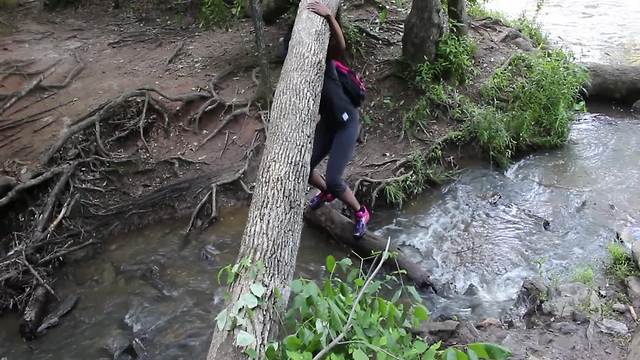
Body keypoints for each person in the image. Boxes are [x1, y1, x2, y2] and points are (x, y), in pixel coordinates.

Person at [303, 1, 370, 239]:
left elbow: (340, 46)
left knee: (334, 178)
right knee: (304, 168)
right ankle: (327, 193)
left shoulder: (325, 61)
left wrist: (330, 17)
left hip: (346, 124)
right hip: (328, 125)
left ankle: (360, 212)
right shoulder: (300, 71)